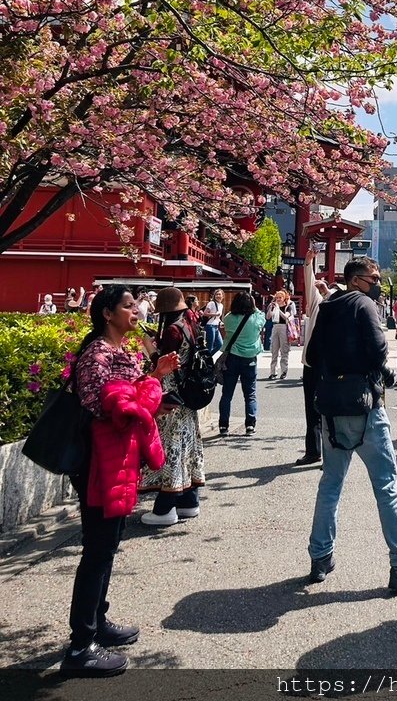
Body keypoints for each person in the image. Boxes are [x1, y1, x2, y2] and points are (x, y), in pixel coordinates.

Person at [62, 284, 179, 677]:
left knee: (108, 545)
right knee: (97, 549)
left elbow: (134, 402)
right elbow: (107, 406)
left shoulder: (120, 351)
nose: (137, 311)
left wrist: (153, 377)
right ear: (107, 313)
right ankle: (81, 646)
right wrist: (147, 389)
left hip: (117, 461)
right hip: (99, 463)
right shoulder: (98, 353)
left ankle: (98, 623)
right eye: (129, 306)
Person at [306, 257, 397, 591]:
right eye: (374, 276)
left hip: (331, 404)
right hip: (365, 404)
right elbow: (379, 348)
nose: (378, 281)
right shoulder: (364, 304)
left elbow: (312, 355)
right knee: (386, 484)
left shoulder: (328, 308)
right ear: (356, 280)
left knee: (331, 483)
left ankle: (320, 556)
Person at [139, 287, 205, 527]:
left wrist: (149, 346)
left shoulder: (172, 330)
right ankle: (189, 501)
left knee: (171, 448)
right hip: (188, 396)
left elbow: (165, 363)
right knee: (188, 446)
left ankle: (165, 507)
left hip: (171, 396)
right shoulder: (189, 325)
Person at [296, 249, 330, 466]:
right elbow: (310, 284)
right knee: (311, 408)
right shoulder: (317, 304)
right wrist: (309, 262)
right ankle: (313, 450)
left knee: (329, 411)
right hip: (311, 363)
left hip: (330, 365)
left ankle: (331, 455)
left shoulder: (338, 303)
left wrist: (328, 293)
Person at [218, 291, 266, 436]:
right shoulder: (257, 318)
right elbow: (262, 316)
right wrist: (253, 304)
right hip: (249, 358)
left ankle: (223, 425)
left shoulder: (228, 318)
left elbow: (224, 329)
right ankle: (250, 425)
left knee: (227, 393)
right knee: (250, 394)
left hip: (232, 356)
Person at [266, 289, 296, 380]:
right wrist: (271, 308)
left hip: (284, 327)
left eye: (280, 297)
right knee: (274, 350)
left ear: (284, 298)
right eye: (277, 297)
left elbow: (286, 316)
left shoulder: (288, 306)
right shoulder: (274, 306)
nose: (278, 299)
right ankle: (273, 372)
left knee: (284, 350)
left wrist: (279, 309)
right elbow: (268, 317)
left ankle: (284, 371)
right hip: (275, 327)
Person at [201, 289, 225, 354]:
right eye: (216, 294)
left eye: (219, 294)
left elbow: (217, 317)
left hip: (216, 326)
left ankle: (208, 358)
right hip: (210, 326)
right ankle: (207, 360)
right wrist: (215, 314)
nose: (218, 296)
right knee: (210, 345)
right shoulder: (211, 303)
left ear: (223, 296)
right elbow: (205, 313)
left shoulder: (221, 305)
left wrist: (220, 322)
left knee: (220, 344)